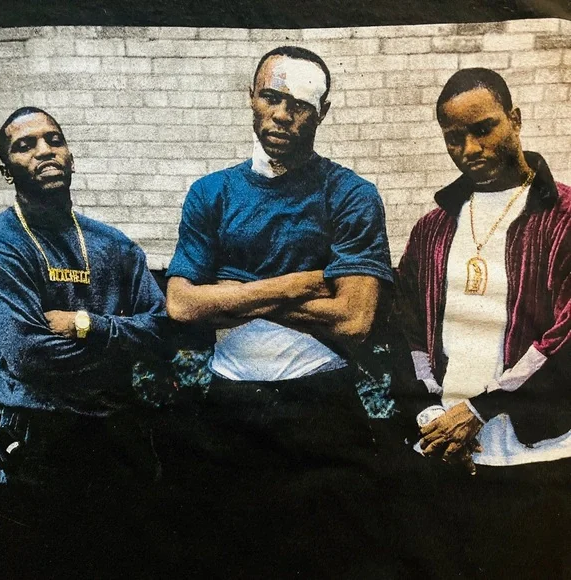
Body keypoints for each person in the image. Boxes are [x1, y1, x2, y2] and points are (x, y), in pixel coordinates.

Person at [165, 46, 395, 578]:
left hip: (319, 404)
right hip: (229, 404)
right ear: (251, 97)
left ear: (322, 113)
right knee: (231, 557)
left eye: (300, 105)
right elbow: (181, 304)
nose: (282, 115)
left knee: (327, 559)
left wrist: (232, 293)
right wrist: (298, 283)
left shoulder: (351, 195)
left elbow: (354, 318)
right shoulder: (211, 193)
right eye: (271, 97)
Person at [392, 68, 571, 578]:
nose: (469, 149)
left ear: (515, 119)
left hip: (538, 459)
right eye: (454, 138)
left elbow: (566, 337)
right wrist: (430, 414)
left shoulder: (563, 215)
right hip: (444, 455)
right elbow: (404, 327)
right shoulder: (433, 227)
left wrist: (480, 409)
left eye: (484, 129)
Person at [0, 107, 169, 577]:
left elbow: (163, 331)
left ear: (71, 156)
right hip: (41, 445)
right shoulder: (0, 244)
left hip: (117, 438)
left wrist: (88, 325)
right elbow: (29, 354)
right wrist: (123, 349)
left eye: (54, 140)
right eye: (25, 145)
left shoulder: (116, 246)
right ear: (7, 171)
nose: (44, 151)